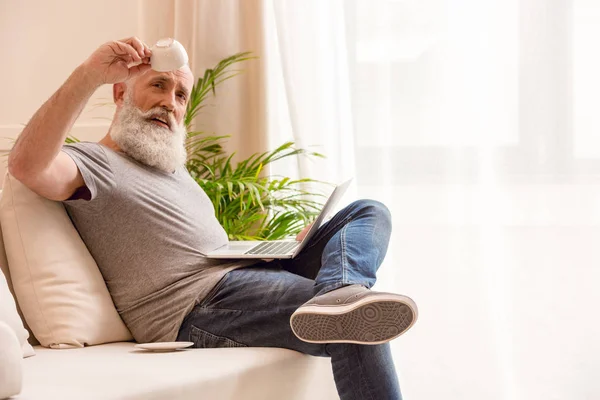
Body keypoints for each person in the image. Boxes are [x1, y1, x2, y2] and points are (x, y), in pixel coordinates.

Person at [8, 37, 418, 400]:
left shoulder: (173, 169)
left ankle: (339, 289)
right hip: (196, 305)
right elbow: (27, 165)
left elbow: (203, 248)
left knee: (368, 212)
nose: (171, 102)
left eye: (182, 95)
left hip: (241, 277)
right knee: (360, 317)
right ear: (120, 93)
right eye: (158, 85)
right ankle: (341, 299)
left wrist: (286, 250)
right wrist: (87, 74)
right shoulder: (93, 163)